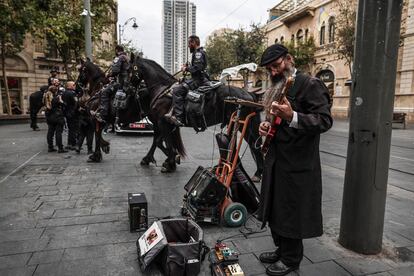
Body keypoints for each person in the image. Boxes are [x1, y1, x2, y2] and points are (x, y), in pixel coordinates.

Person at [257, 44, 333, 276]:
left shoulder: (310, 84)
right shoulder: (280, 86)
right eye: (269, 69)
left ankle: (291, 259)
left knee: (291, 210)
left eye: (276, 66)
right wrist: (267, 126)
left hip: (298, 162)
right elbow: (277, 121)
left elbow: (324, 121)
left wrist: (293, 116)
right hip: (277, 159)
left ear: (289, 59)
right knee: (276, 207)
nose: (273, 73)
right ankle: (281, 249)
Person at [164, 35, 209, 126]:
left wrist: (186, 68)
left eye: (189, 43)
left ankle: (179, 117)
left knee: (177, 91)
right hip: (196, 78)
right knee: (178, 85)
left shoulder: (198, 53)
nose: (188, 46)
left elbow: (198, 68)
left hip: (198, 81)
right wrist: (185, 76)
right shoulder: (197, 52)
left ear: (194, 43)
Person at [95, 45, 129, 123]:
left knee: (104, 92)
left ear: (116, 50)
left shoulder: (119, 58)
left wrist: (109, 75)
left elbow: (115, 71)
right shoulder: (127, 58)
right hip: (127, 83)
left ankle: (103, 114)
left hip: (120, 83)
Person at [43, 85, 68, 153]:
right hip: (58, 117)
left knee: (50, 132)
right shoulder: (56, 99)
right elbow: (65, 104)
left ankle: (50, 147)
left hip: (49, 117)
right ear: (55, 91)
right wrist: (61, 100)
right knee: (58, 133)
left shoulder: (45, 98)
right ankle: (60, 148)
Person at [62, 81, 79, 150]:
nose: (75, 86)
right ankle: (73, 144)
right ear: (70, 86)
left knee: (70, 129)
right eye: (74, 85)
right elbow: (76, 103)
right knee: (73, 129)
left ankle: (69, 143)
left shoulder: (64, 93)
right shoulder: (72, 93)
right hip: (73, 113)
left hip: (67, 113)